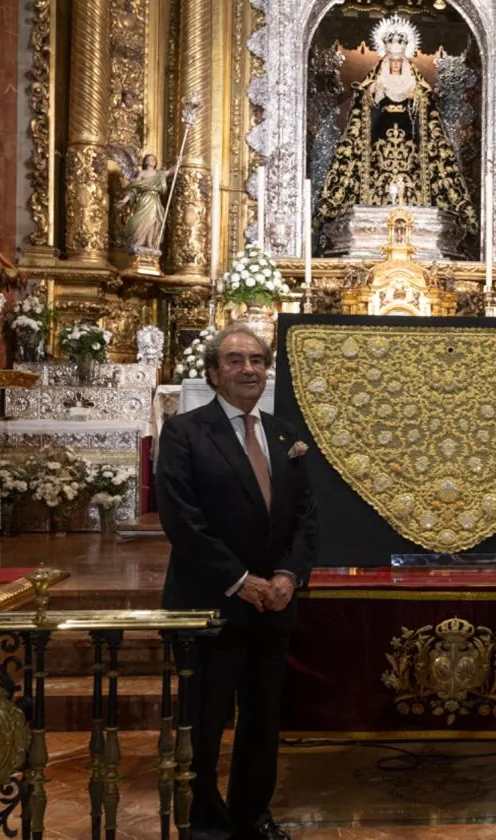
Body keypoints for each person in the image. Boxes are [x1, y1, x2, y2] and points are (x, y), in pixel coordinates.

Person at [157, 324, 317, 840]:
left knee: (262, 725)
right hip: (210, 605)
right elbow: (182, 520)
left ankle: (253, 818)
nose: (249, 369)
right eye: (235, 360)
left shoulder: (285, 434)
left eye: (257, 360)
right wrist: (240, 579)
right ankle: (205, 824)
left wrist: (289, 576)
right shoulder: (185, 432)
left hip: (272, 606)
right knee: (204, 723)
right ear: (213, 372)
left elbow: (305, 516)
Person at [315, 14, 478, 234]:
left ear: (406, 58)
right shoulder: (372, 83)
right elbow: (361, 116)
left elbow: (429, 119)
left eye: (398, 61)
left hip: (411, 153)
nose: (394, 65)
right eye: (391, 61)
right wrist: (375, 96)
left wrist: (416, 98)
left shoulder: (418, 86)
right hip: (376, 150)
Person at [116, 153, 177, 253]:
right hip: (144, 199)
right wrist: (124, 200)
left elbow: (170, 171)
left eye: (153, 159)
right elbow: (134, 189)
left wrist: (178, 162)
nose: (151, 161)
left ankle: (149, 242)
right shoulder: (142, 173)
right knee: (142, 220)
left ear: (156, 162)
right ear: (144, 162)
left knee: (153, 220)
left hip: (154, 200)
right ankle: (140, 240)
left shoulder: (159, 174)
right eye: (149, 159)